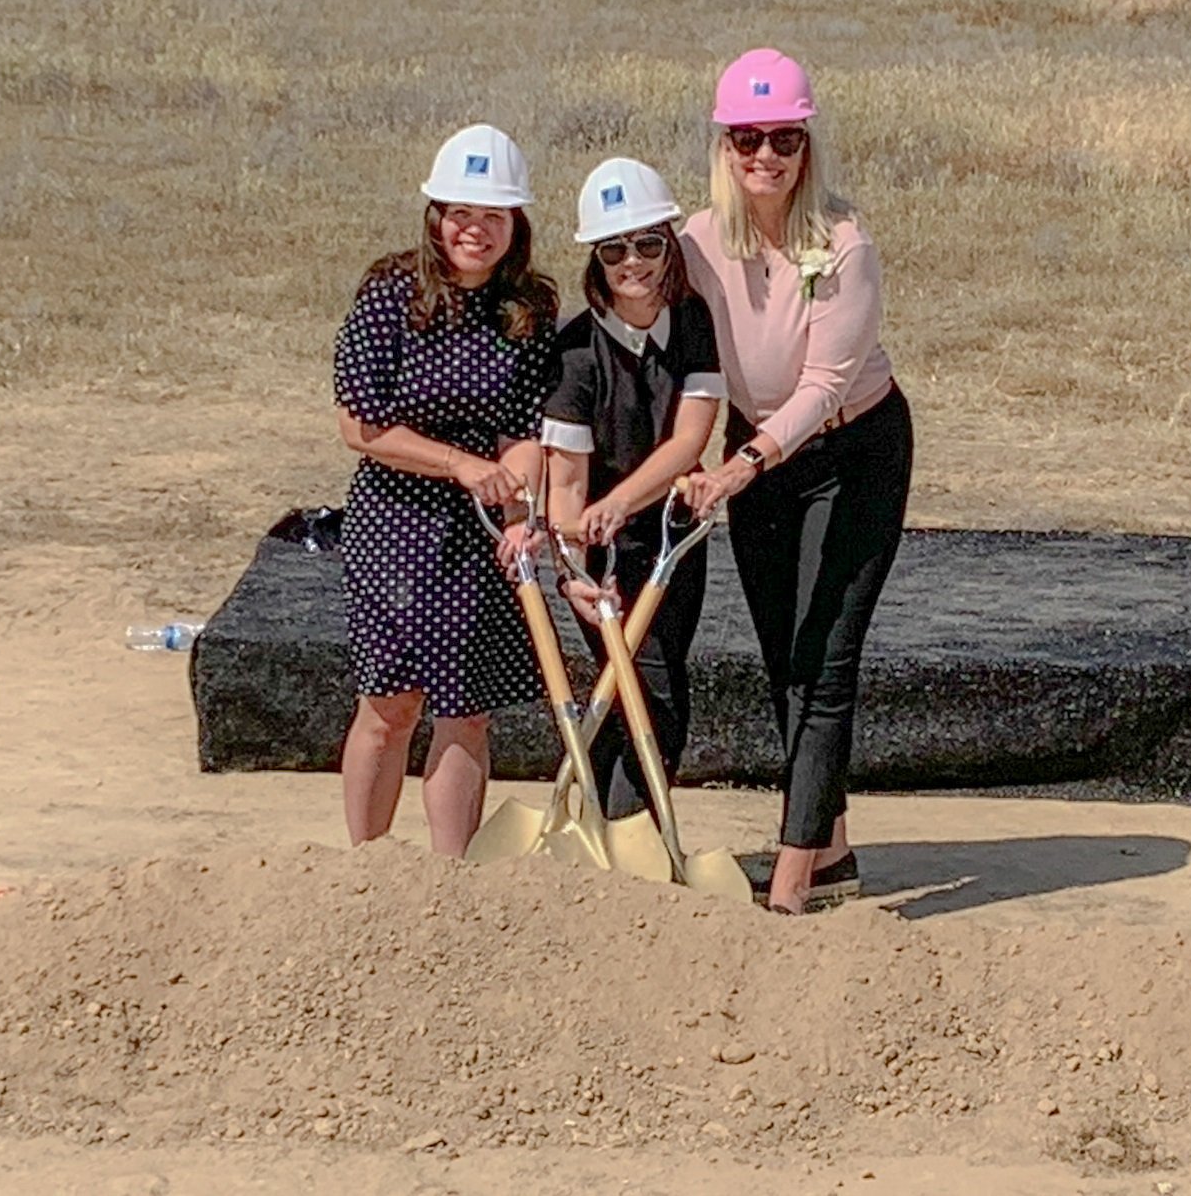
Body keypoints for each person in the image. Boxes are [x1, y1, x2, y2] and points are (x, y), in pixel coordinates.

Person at [680, 49, 912, 915]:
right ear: (724, 147)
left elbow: (821, 387)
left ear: (807, 147)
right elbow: (681, 355)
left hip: (852, 455)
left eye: (782, 139)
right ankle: (830, 849)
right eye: (746, 139)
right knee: (783, 658)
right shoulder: (697, 242)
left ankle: (788, 881)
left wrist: (738, 466)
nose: (765, 157)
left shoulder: (844, 245)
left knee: (825, 659)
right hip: (757, 461)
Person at [332, 123, 558, 857]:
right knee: (390, 703)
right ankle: (365, 864)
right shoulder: (388, 295)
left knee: (466, 709)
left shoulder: (528, 309)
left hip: (479, 535)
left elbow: (526, 426)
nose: (475, 230)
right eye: (462, 213)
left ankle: (448, 882)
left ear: (513, 225)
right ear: (436, 216)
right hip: (394, 522)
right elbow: (361, 426)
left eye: (493, 216)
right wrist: (458, 465)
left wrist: (521, 508)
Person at [541, 156, 726, 819]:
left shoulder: (693, 321)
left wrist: (627, 501)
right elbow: (564, 491)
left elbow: (687, 439)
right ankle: (615, 841)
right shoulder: (576, 354)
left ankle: (598, 837)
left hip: (670, 535)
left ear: (668, 245)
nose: (633, 262)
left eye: (648, 243)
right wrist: (572, 573)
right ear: (595, 258)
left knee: (650, 682)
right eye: (614, 248)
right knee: (646, 696)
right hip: (596, 550)